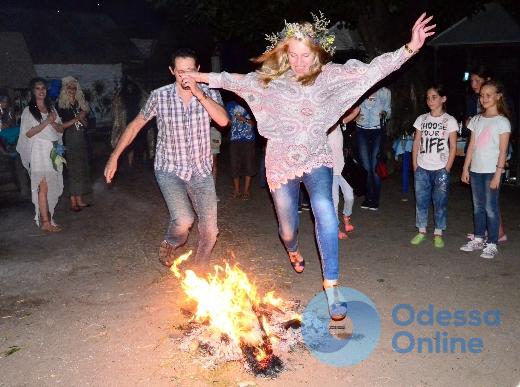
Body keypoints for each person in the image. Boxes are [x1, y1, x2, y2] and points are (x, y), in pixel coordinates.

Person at [180, 12, 435, 320]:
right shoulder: (272, 82)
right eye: (293, 55)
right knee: (287, 229)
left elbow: (373, 71)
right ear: (285, 54)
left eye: (305, 55)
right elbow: (235, 80)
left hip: (316, 155)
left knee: (325, 208)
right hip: (280, 160)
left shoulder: (331, 77)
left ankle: (332, 284)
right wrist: (199, 77)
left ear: (316, 53)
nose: (299, 62)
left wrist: (410, 48)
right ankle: (292, 247)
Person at [104, 48, 229, 267]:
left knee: (210, 232)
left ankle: (199, 272)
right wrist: (115, 156)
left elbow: (223, 121)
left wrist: (200, 94)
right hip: (170, 169)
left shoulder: (210, 93)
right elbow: (135, 126)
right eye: (181, 71)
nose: (185, 76)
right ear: (172, 71)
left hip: (200, 170)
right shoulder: (159, 96)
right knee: (184, 219)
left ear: (198, 70)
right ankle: (172, 241)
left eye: (190, 71)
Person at [460, 80, 511, 259]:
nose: (484, 98)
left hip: (491, 171)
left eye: (488, 95)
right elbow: (472, 145)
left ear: (498, 96)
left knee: (491, 207)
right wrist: (465, 168)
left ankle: (492, 243)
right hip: (476, 170)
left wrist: (498, 174)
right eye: (482, 95)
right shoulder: (477, 119)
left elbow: (503, 151)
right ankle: (479, 238)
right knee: (477, 207)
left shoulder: (503, 122)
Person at [410, 85, 458, 248]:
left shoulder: (449, 120)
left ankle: (438, 231)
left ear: (443, 99)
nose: (430, 100)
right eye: (428, 97)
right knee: (421, 200)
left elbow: (453, 146)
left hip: (441, 168)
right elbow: (416, 142)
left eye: (434, 97)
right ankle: (421, 230)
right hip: (422, 167)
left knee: (440, 201)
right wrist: (415, 165)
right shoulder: (421, 119)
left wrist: (447, 167)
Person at [16, 78, 64, 232]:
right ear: (33, 91)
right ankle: (45, 222)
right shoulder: (28, 111)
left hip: (51, 151)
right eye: (38, 88)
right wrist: (45, 123)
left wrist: (53, 123)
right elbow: (28, 133)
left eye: (43, 88)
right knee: (42, 187)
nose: (41, 91)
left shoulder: (51, 108)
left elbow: (60, 129)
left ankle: (50, 218)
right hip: (38, 152)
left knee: (51, 186)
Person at [56, 76, 91, 212]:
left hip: (81, 138)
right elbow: (60, 127)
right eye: (69, 87)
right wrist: (77, 118)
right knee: (72, 170)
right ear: (65, 89)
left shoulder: (79, 104)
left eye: (74, 87)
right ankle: (73, 202)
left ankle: (80, 200)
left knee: (81, 168)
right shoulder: (60, 106)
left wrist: (82, 120)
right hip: (67, 140)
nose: (72, 90)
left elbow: (86, 124)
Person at [355, 86, 391, 211]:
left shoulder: (385, 92)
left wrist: (385, 114)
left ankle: (375, 199)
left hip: (377, 131)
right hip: (361, 130)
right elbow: (352, 108)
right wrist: (354, 117)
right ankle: (368, 197)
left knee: (375, 166)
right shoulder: (360, 89)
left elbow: (388, 111)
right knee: (366, 166)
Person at [328, 106, 360, 239]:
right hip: (330, 170)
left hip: (343, 170)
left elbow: (356, 110)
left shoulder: (342, 124)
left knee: (350, 197)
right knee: (334, 201)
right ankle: (336, 228)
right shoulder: (323, 129)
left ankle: (346, 216)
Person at [111, 78, 149, 168]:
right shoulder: (121, 96)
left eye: (131, 86)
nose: (130, 88)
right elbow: (115, 106)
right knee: (129, 144)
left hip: (138, 123)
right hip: (127, 122)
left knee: (141, 143)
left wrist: (139, 85)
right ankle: (130, 164)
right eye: (128, 86)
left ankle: (143, 161)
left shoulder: (139, 95)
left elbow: (147, 98)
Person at [226, 99, 256, 200]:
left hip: (249, 140)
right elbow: (226, 122)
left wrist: (244, 119)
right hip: (234, 140)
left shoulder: (250, 103)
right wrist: (232, 121)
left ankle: (246, 191)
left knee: (249, 165)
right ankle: (237, 191)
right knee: (234, 165)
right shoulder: (229, 105)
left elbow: (254, 124)